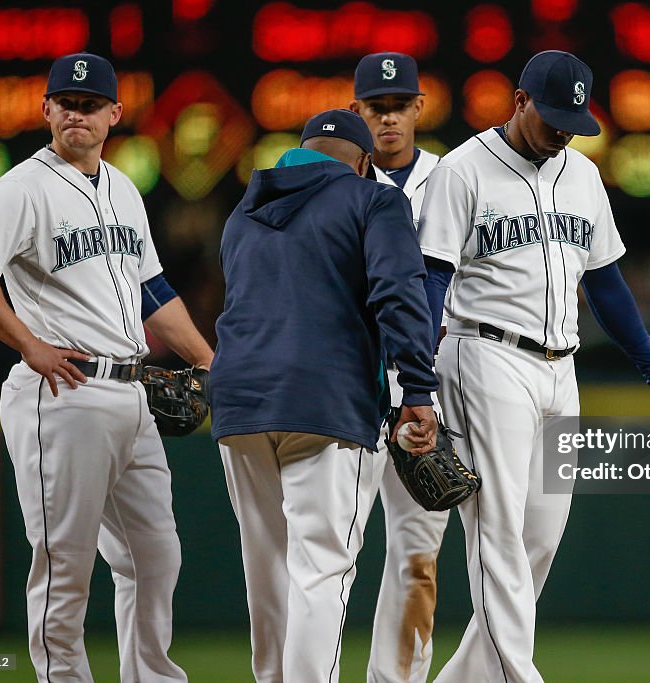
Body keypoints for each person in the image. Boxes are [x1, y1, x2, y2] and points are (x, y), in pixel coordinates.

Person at [0, 52, 214, 682]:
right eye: (66, 102)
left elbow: (153, 292)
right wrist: (28, 345)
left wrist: (208, 360)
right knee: (64, 562)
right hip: (63, 391)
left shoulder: (121, 187)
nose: (77, 114)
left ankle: (150, 675)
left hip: (133, 391)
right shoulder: (21, 187)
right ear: (46, 110)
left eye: (90, 105)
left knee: (155, 556)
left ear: (114, 114)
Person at [417, 50, 650, 682]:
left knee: (539, 537)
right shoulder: (463, 171)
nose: (563, 130)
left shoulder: (582, 176)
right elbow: (432, 280)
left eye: (573, 118)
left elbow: (608, 286)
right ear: (519, 101)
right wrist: (419, 379)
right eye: (552, 116)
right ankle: (521, 676)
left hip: (560, 369)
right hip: (484, 354)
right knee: (501, 531)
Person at [209, 108, 440, 683]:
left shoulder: (246, 207)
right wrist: (417, 386)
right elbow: (398, 293)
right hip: (326, 400)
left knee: (266, 568)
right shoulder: (374, 201)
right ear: (363, 163)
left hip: (239, 401)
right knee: (322, 569)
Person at [349, 51, 448, 683]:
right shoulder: (339, 182)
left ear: (419, 107)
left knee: (418, 554)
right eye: (375, 108)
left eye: (397, 106)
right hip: (355, 380)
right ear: (357, 111)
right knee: (334, 549)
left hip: (430, 385)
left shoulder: (452, 176)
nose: (388, 118)